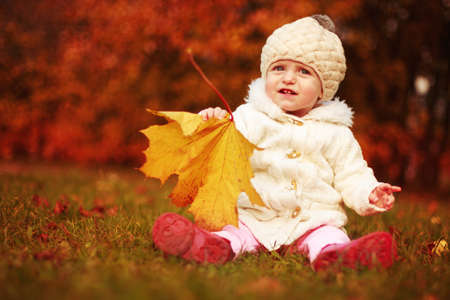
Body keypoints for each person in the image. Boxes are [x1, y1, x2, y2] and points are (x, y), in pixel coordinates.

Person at [152, 15, 402, 270]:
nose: (288, 78)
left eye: (304, 71)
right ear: (266, 74)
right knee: (233, 231)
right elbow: (221, 151)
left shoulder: (335, 132)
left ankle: (335, 256)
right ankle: (212, 246)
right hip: (254, 216)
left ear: (324, 88)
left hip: (311, 219)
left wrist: (369, 192)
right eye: (279, 68)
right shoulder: (249, 117)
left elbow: (352, 174)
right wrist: (213, 123)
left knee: (329, 234)